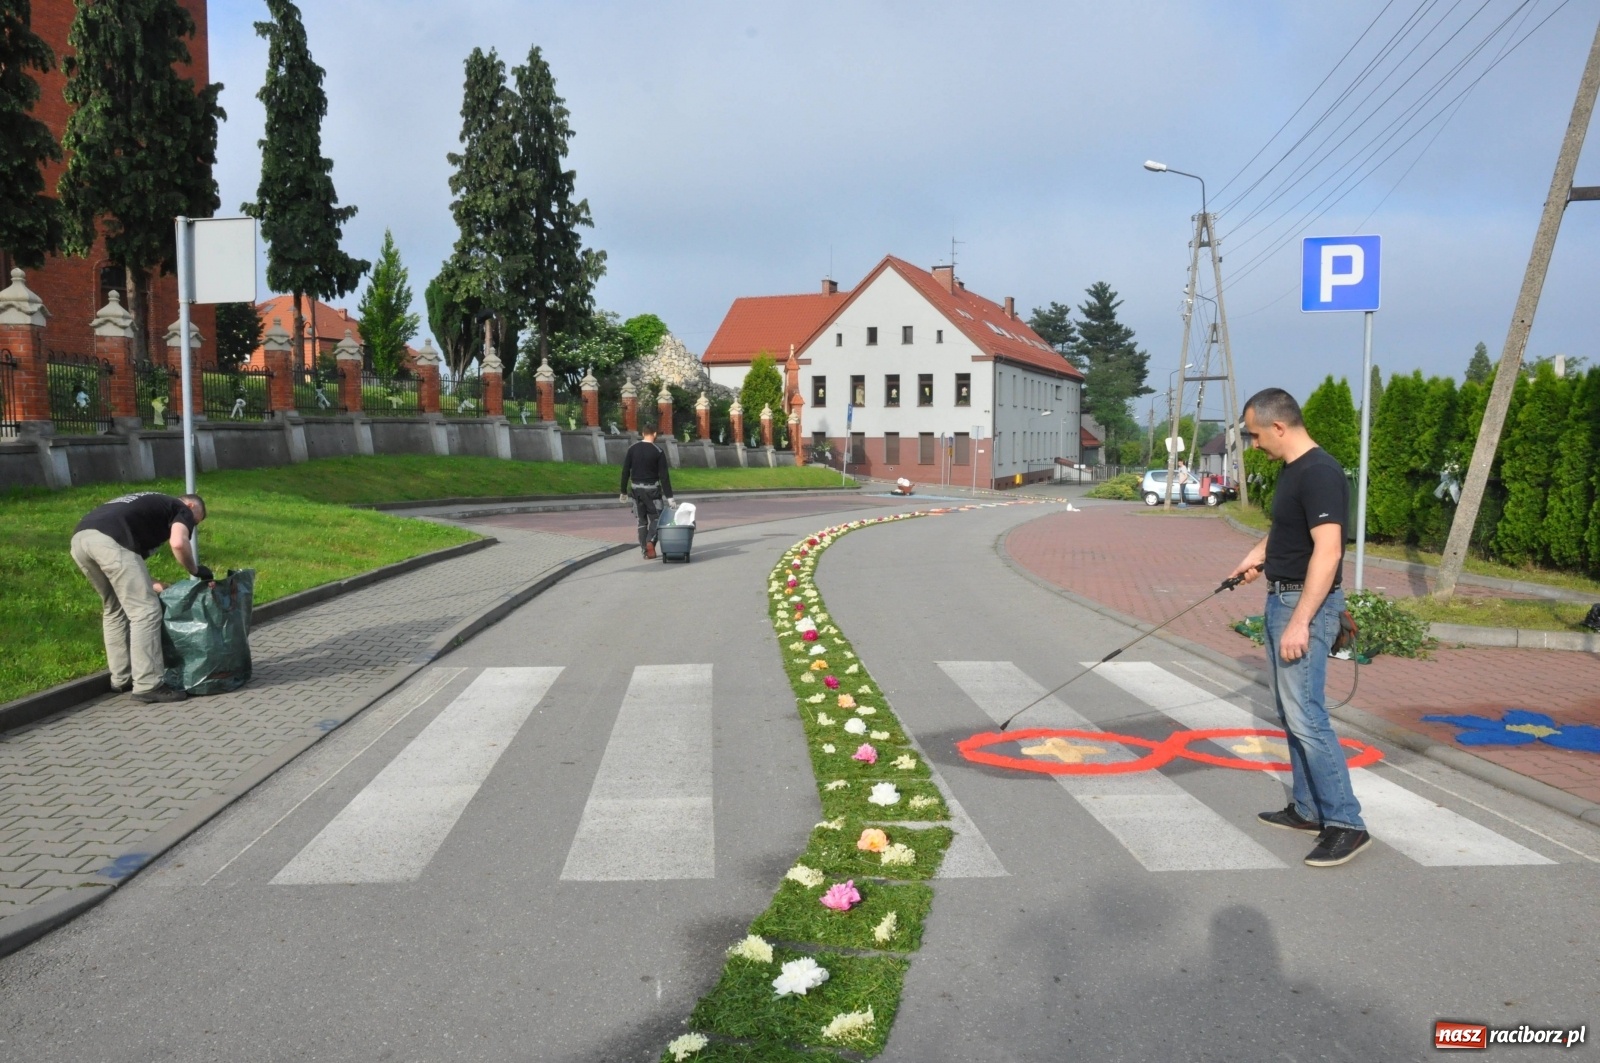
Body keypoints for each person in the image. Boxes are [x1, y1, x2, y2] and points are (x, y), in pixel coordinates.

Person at [1227, 388, 1370, 868]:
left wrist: (1302, 623)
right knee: (1291, 714)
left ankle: (1346, 823)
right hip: (1281, 598)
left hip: (1303, 606)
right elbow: (1292, 530)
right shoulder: (1294, 472)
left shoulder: (1321, 473)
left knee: (1307, 716)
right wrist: (1258, 554)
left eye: (1254, 435)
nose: (1253, 445)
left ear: (1279, 427)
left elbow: (1328, 552)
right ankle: (1309, 809)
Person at [70, 491, 211, 703]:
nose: (191, 526)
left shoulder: (148, 509)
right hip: (110, 540)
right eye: (194, 522)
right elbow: (179, 543)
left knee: (114, 607)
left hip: (81, 539)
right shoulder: (180, 508)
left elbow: (127, 566)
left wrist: (155, 584)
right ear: (191, 507)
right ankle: (148, 684)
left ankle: (122, 678)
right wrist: (195, 569)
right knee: (146, 611)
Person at [619, 426, 675, 559]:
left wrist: (623, 491)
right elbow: (664, 476)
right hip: (653, 491)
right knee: (657, 518)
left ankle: (644, 549)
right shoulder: (658, 451)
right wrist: (670, 497)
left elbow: (625, 471)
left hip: (636, 491)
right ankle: (651, 541)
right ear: (654, 434)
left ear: (643, 434)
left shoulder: (632, 449)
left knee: (641, 521)